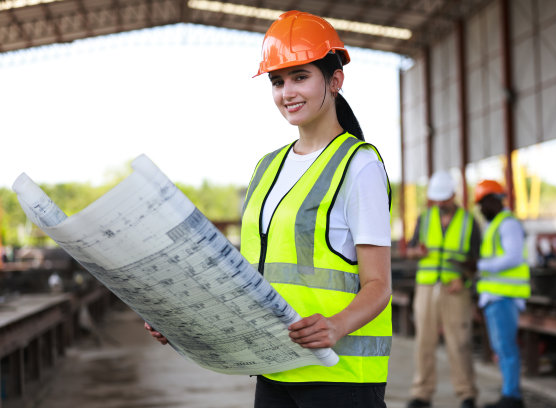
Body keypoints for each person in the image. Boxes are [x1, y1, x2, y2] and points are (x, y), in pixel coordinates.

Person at [146, 10, 393, 408]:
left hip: (339, 377)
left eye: (300, 77)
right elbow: (249, 280)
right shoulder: (267, 167)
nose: (287, 92)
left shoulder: (359, 165)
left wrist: (336, 325)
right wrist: (182, 325)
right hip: (274, 370)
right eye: (277, 82)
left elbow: (379, 286)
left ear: (335, 80)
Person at [405, 170, 479, 408]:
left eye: (444, 199)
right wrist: (418, 252)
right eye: (436, 199)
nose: (439, 203)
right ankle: (422, 393)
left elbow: (478, 260)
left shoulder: (469, 222)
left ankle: (466, 394)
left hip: (456, 289)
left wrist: (465, 280)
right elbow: (410, 250)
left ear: (453, 195)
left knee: (459, 343)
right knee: (424, 342)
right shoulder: (424, 218)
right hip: (426, 287)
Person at [469, 180, 531, 408]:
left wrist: (481, 265)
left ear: (493, 201)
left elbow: (513, 257)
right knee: (502, 348)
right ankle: (510, 394)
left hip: (504, 296)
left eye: (482, 204)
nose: (481, 210)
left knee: (506, 348)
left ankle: (512, 397)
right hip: (495, 296)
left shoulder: (507, 224)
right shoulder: (497, 225)